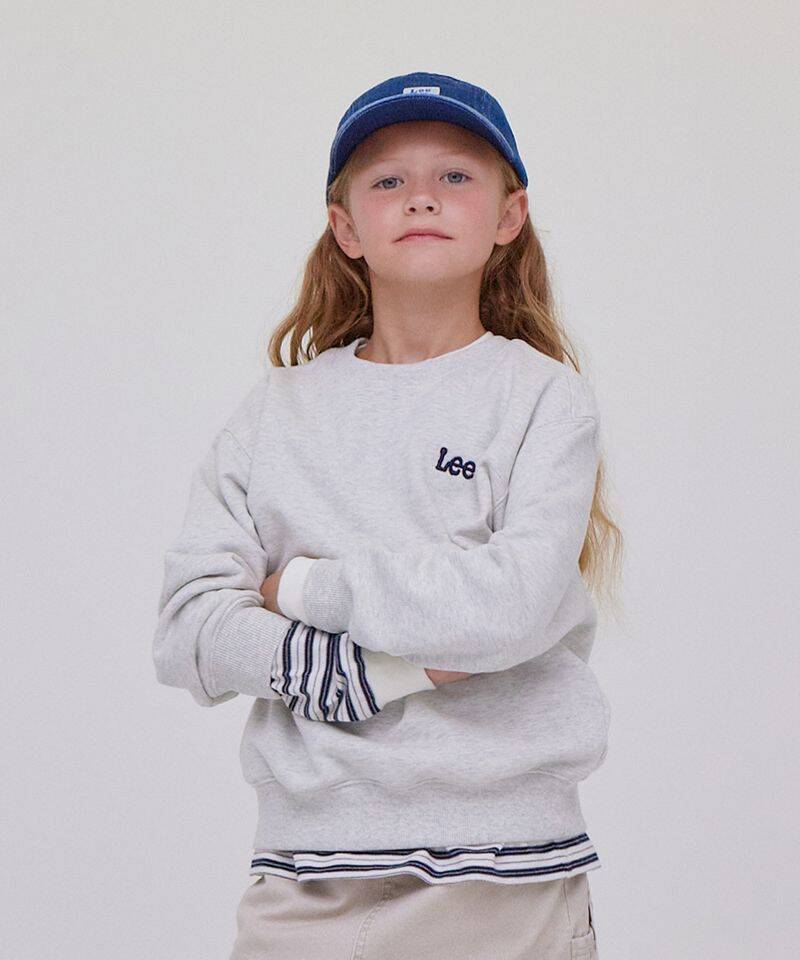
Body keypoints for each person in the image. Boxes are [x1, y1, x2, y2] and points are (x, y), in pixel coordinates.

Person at [152, 70, 623, 959]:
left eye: (456, 175)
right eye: (388, 180)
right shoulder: (275, 412)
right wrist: (378, 675)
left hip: (506, 879)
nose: (421, 197)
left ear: (509, 215)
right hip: (306, 879)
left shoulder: (543, 399)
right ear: (346, 228)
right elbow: (189, 630)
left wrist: (299, 587)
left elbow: (512, 606)